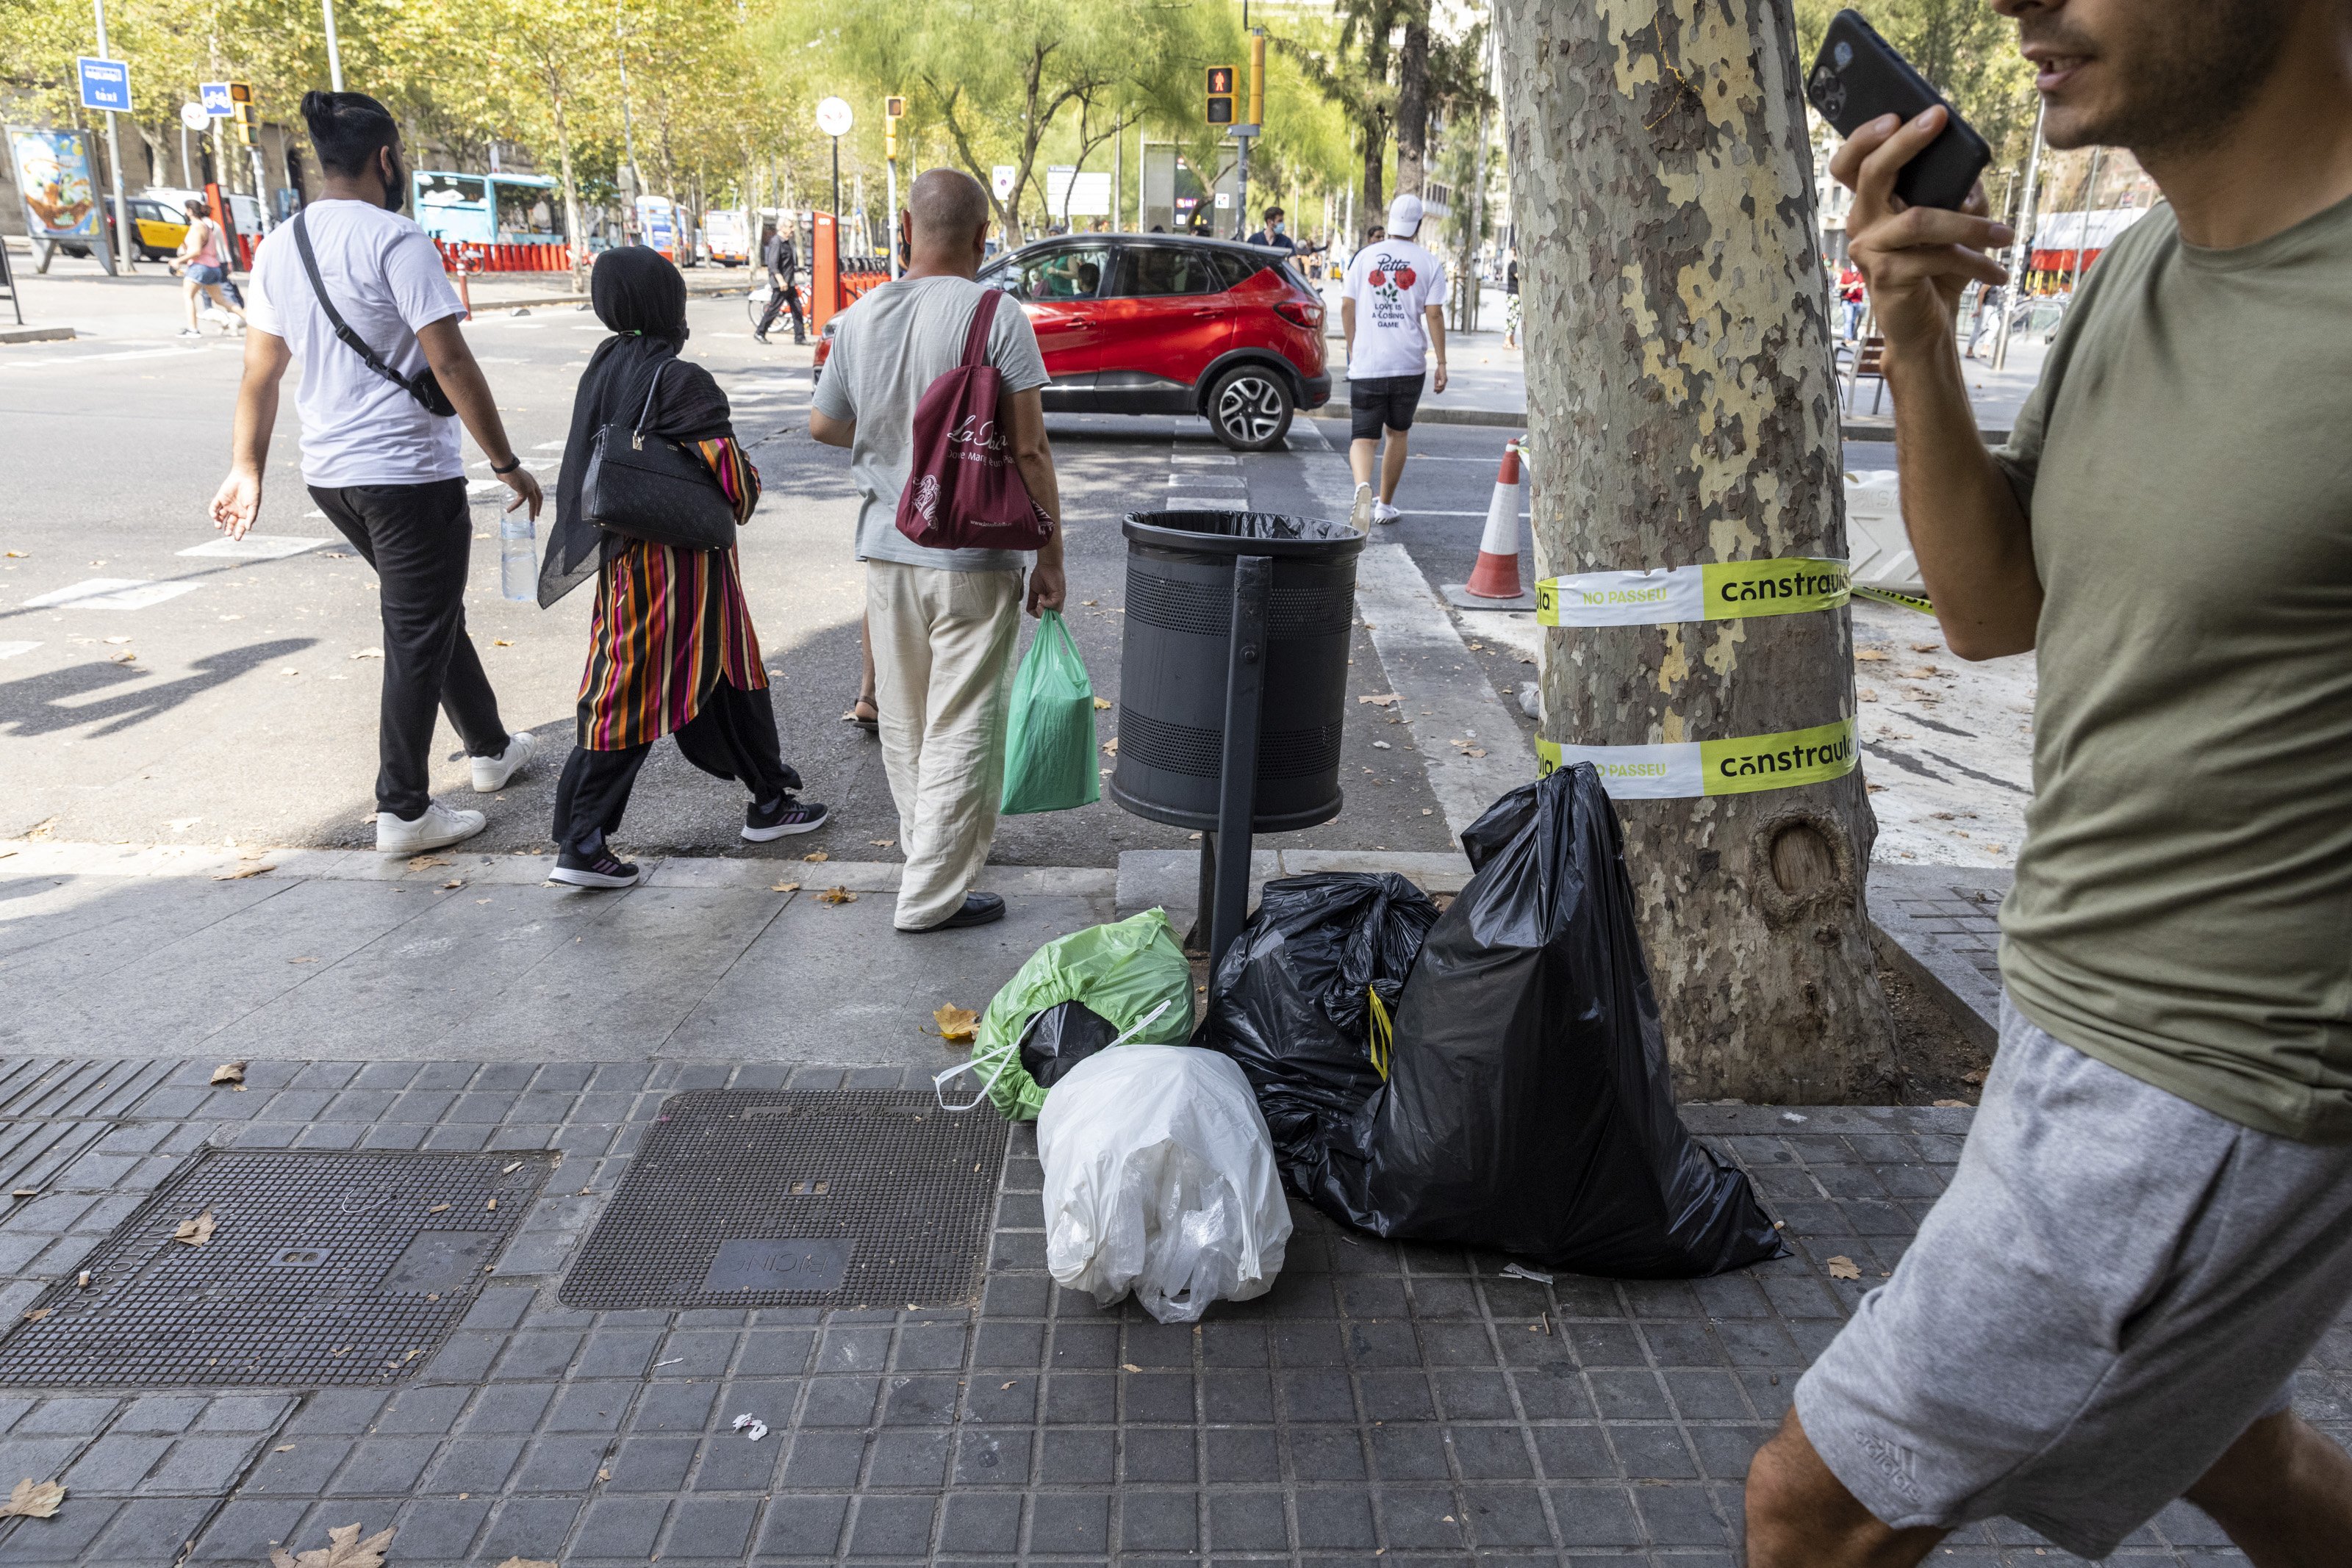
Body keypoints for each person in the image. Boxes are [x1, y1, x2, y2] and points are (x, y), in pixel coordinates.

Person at [1744, 0, 2352, 1562]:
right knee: (2243, 1463)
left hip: (2206, 1081)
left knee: (1811, 1509)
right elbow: (1992, 604)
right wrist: (1913, 326)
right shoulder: (2152, 263)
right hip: (2066, 1015)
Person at [208, 90, 541, 855]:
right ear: (386, 160)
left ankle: (490, 747)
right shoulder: (398, 241)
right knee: (418, 625)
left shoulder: (279, 245)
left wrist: (245, 468)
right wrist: (505, 462)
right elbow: (450, 361)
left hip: (331, 473)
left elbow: (260, 373)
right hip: (406, 472)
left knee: (424, 609)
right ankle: (404, 808)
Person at [807, 168, 1067, 933]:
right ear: (983, 238)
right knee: (963, 722)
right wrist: (1048, 556)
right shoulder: (996, 315)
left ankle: (931, 866)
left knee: (909, 720)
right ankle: (929, 894)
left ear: (903, 226)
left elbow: (823, 425)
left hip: (887, 551)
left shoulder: (857, 319)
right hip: (972, 556)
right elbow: (1029, 451)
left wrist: (897, 435)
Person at [537, 248, 828, 889]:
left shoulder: (608, 363)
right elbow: (739, 489)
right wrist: (742, 479)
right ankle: (581, 842)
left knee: (730, 673)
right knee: (626, 699)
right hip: (670, 577)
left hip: (641, 567)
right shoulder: (679, 378)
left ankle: (771, 799)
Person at [1339, 193, 1447, 529]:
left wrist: (1352, 345)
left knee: (1363, 438)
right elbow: (1434, 313)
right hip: (1408, 363)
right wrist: (1442, 362)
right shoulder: (1429, 263)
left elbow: (1346, 305)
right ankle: (1384, 505)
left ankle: (1361, 487)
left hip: (1368, 362)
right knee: (1397, 434)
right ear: (1417, 225)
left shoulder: (1365, 258)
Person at [171, 198, 246, 337]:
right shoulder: (207, 225)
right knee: (221, 300)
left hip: (200, 267)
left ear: (189, 211)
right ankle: (251, 320)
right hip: (214, 266)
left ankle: (192, 329)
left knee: (188, 296)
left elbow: (196, 251)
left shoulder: (197, 226)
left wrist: (177, 261)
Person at [753, 220, 805, 345]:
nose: (792, 229)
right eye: (790, 226)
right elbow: (773, 265)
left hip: (789, 283)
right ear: (782, 227)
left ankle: (800, 337)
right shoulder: (776, 242)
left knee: (797, 309)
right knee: (773, 309)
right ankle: (760, 332)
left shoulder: (787, 242)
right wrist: (781, 281)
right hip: (781, 284)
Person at [1244, 204, 1325, 260]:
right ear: (1270, 222)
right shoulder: (1254, 240)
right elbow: (1246, 262)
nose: (1282, 224)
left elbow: (1294, 262)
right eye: (1280, 221)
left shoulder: (1286, 241)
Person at [1837, 260, 1867, 339]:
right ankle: (1848, 338)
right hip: (1847, 300)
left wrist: (1859, 286)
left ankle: (1851, 336)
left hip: (1858, 301)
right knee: (1849, 319)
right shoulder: (1846, 273)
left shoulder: (1862, 273)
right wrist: (1850, 285)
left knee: (1853, 321)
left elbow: (1865, 283)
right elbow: (1840, 286)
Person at [1502, 245, 1521, 348]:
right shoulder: (1513, 266)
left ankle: (1512, 341)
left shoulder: (1516, 265)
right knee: (1511, 318)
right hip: (1513, 295)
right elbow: (1519, 276)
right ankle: (1507, 341)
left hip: (1516, 296)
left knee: (1515, 318)